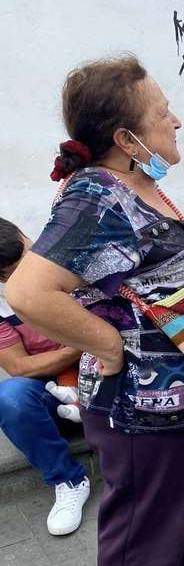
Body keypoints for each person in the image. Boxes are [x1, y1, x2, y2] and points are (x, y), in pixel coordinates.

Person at [5, 56, 184, 565]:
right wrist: (106, 344)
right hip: (142, 415)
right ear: (127, 140)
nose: (177, 120)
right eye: (164, 112)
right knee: (144, 552)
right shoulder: (95, 195)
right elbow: (27, 292)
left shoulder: (138, 185)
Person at [0, 217, 89, 536]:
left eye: (27, 254)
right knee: (10, 398)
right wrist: (74, 350)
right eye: (13, 273)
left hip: (108, 373)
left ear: (26, 237)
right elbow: (20, 367)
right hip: (56, 391)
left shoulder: (73, 261)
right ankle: (69, 480)